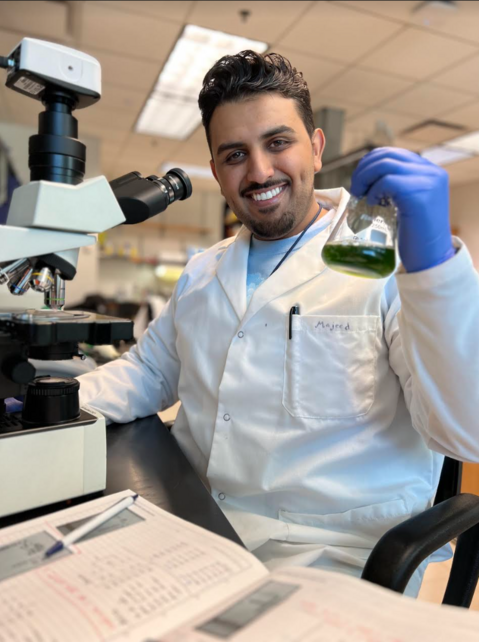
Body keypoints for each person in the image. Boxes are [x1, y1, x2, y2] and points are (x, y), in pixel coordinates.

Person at [78, 51, 479, 596]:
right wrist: (42, 404)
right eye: (235, 154)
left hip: (329, 562)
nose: (260, 171)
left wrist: (433, 267)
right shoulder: (204, 272)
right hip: (194, 528)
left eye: (278, 142)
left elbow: (464, 429)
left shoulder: (382, 266)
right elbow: (146, 375)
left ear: (315, 147)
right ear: (216, 171)